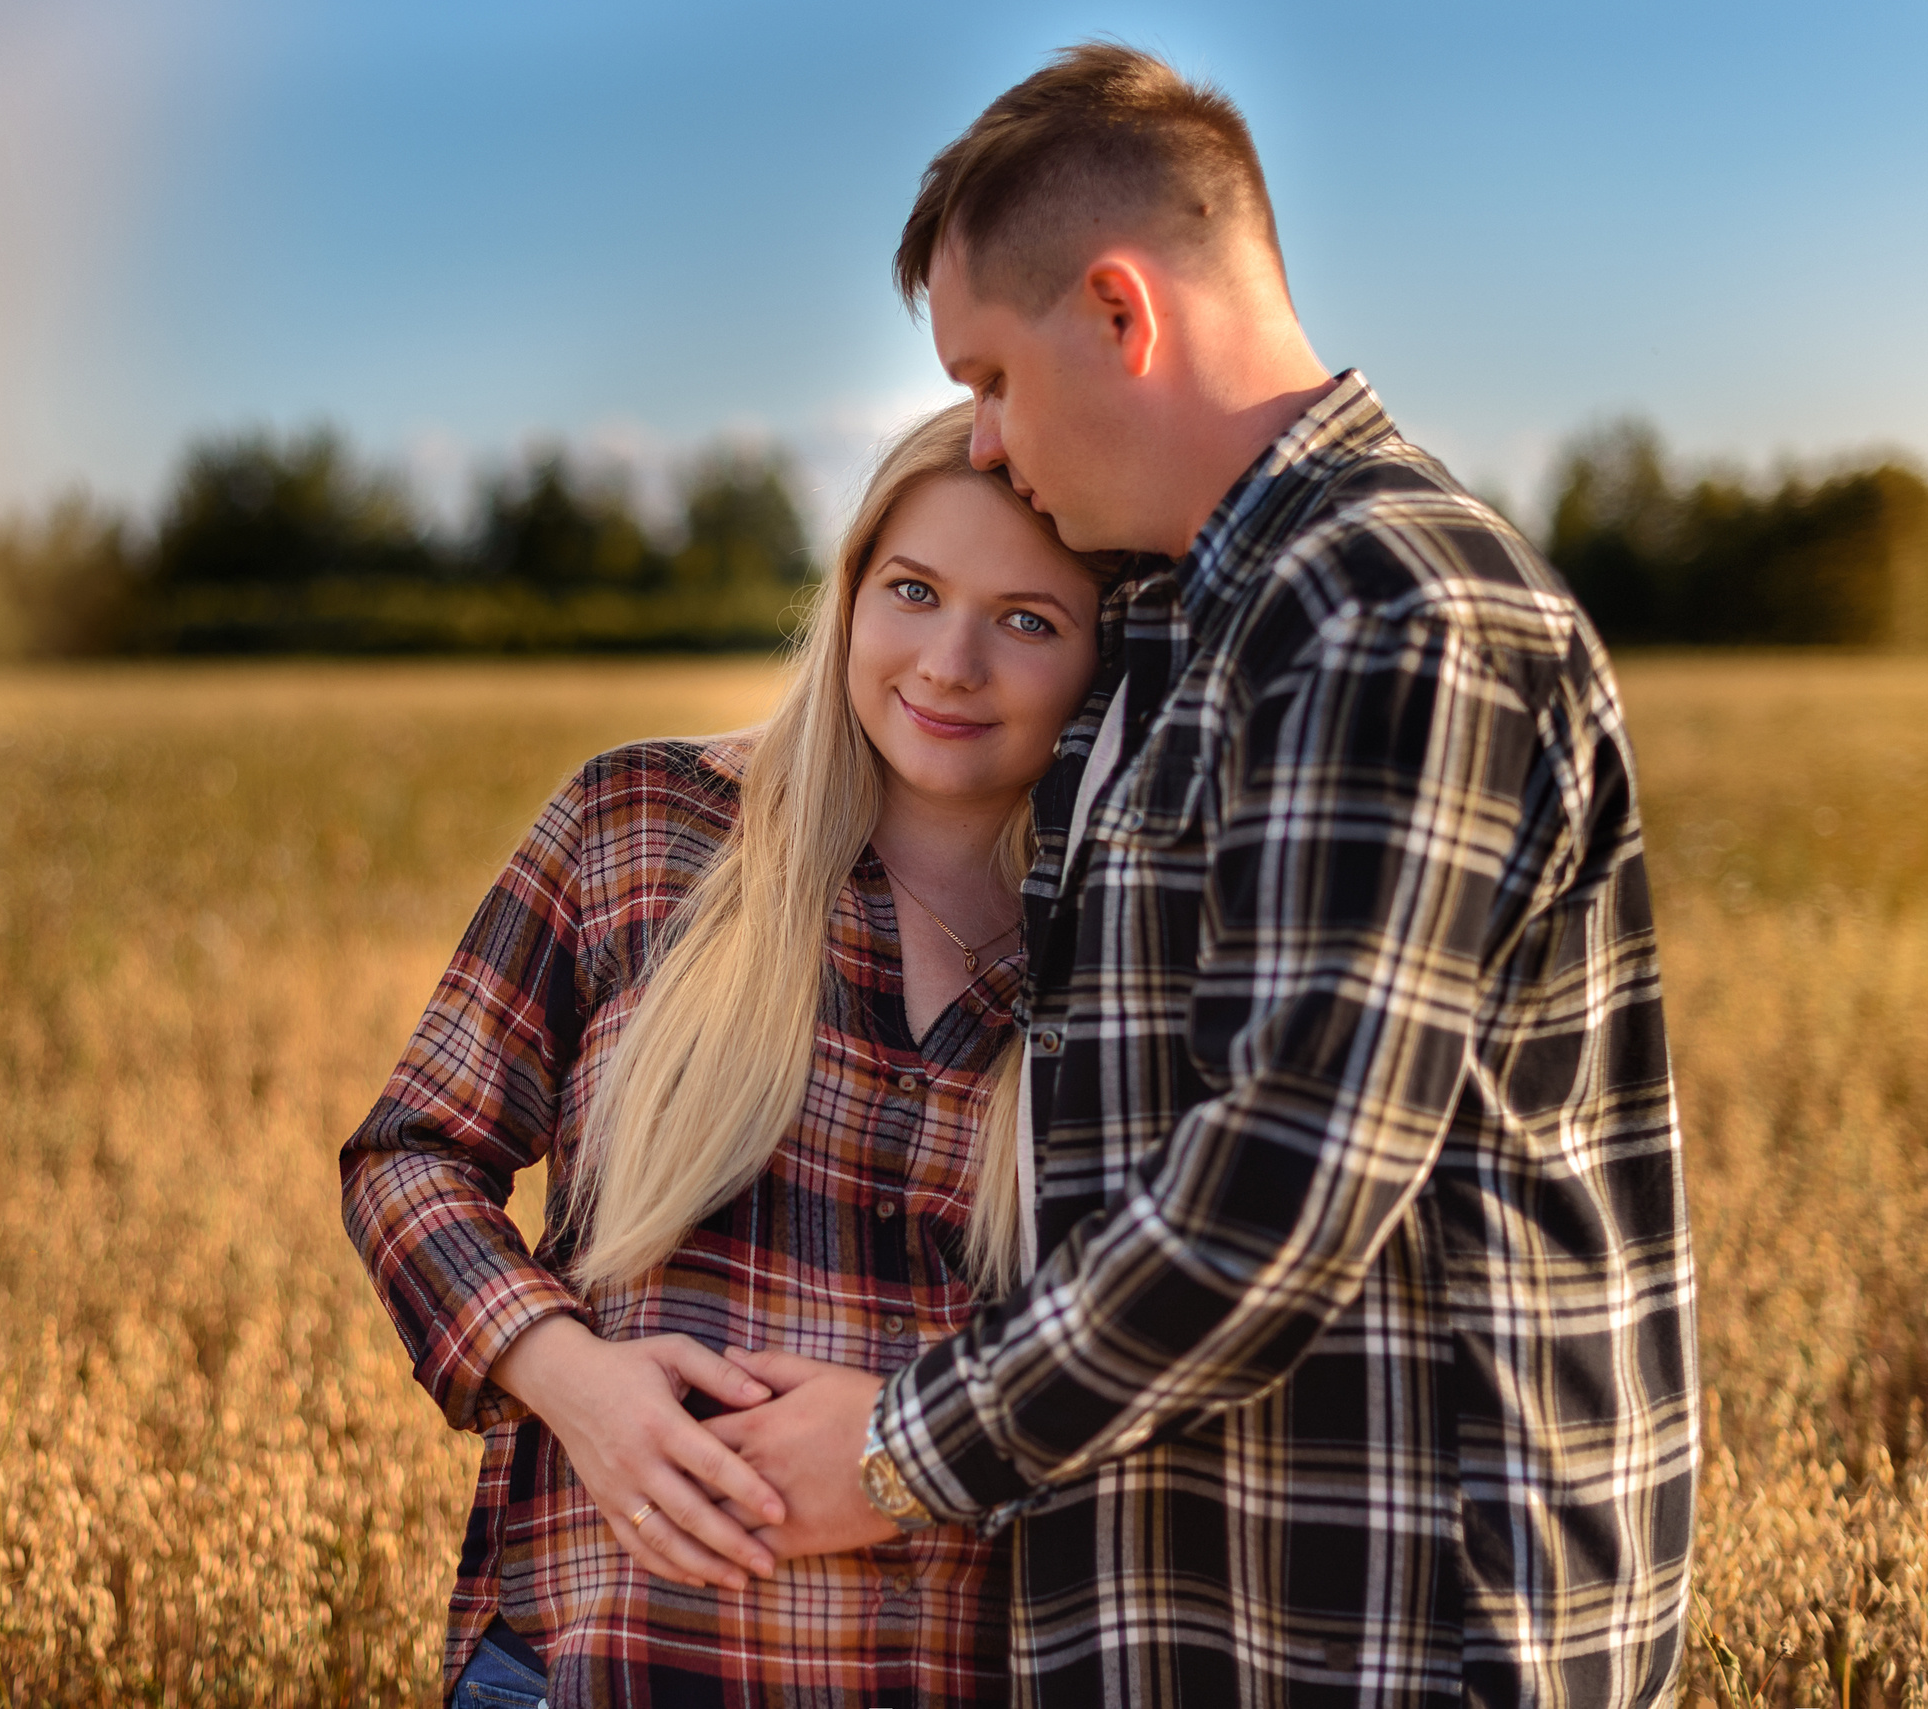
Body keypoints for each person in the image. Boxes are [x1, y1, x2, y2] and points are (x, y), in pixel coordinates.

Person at [704, 44, 1700, 1708]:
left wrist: (889, 1453)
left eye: (994, 377)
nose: (984, 440)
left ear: (1120, 311)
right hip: (1208, 1618)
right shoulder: (1182, 623)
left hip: (1392, 1637)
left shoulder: (1392, 612)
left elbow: (1283, 1188)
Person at [340, 403, 1124, 1707]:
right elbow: (412, 1152)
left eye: (1028, 620)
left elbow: (1154, 1338)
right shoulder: (643, 821)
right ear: (851, 591)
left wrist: (911, 1451)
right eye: (913, 591)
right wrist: (570, 1376)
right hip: (585, 1661)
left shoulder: (1122, 952)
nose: (949, 662)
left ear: (1102, 661)